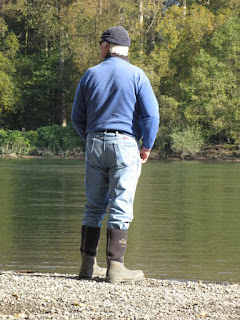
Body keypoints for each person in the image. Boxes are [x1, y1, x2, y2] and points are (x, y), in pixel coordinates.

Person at [71, 26, 159, 283]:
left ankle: (88, 266)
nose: (99, 48)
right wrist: (146, 146)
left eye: (100, 44)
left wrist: (91, 139)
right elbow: (151, 115)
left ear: (107, 47)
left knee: (94, 205)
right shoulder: (137, 75)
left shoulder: (89, 75)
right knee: (121, 204)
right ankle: (116, 268)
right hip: (125, 143)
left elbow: (77, 117)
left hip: (95, 143)